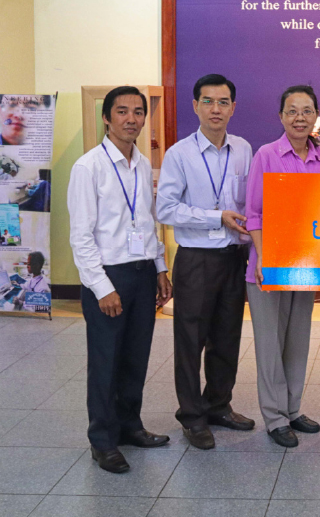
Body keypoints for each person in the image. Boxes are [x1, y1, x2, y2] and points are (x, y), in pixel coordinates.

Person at [67, 86, 172, 473]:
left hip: (142, 272)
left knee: (135, 357)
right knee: (106, 361)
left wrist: (160, 267)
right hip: (109, 277)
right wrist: (102, 287)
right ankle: (103, 440)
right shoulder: (88, 167)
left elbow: (147, 222)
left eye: (138, 111)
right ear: (106, 118)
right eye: (123, 111)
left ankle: (130, 426)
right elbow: (81, 236)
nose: (132, 118)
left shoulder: (142, 164)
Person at [156, 74, 255, 450]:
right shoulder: (179, 154)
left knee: (227, 338)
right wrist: (216, 217)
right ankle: (192, 416)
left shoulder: (243, 149)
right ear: (195, 105)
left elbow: (251, 204)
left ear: (233, 107)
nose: (216, 109)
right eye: (208, 101)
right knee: (190, 341)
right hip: (196, 259)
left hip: (233, 258)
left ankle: (218, 406)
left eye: (223, 102)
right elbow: (165, 209)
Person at [246, 85, 320, 448]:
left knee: (297, 341)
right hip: (269, 263)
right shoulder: (266, 154)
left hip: (305, 264)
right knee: (270, 343)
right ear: (281, 116)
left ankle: (293, 409)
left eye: (306, 111)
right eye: (292, 111)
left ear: (316, 116)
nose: (299, 118)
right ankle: (275, 417)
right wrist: (263, 257)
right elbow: (253, 213)